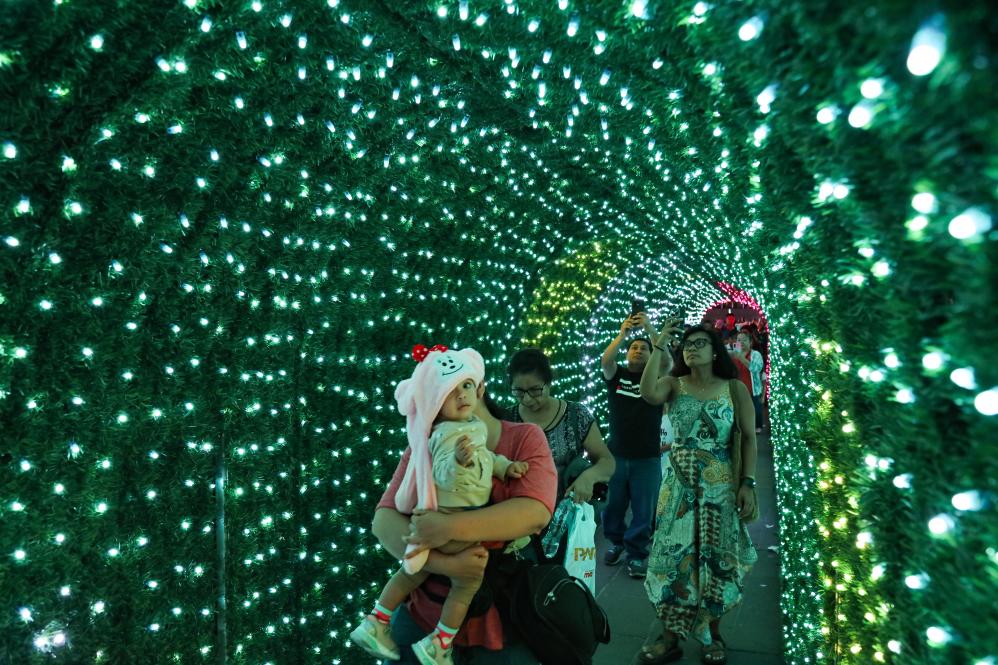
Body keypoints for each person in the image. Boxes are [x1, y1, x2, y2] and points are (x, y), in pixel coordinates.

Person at [371, 346, 558, 665]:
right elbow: (384, 521)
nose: (457, 396)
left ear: (480, 387)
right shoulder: (426, 443)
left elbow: (533, 512)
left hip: (501, 618)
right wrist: (446, 565)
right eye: (443, 393)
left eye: (465, 386)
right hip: (424, 614)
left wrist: (446, 528)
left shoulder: (524, 437)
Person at [636, 324, 758, 665]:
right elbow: (648, 393)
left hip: (720, 487)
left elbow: (749, 438)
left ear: (715, 350)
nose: (691, 348)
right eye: (687, 344)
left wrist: (748, 483)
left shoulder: (734, 388)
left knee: (716, 559)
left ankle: (712, 634)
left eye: (700, 343)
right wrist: (658, 346)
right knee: (672, 558)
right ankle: (670, 637)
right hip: (677, 486)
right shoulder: (674, 384)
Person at [600, 311, 663, 579]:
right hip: (616, 455)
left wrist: (649, 329)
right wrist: (622, 335)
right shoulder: (618, 375)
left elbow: (667, 360)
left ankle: (636, 554)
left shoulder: (657, 378)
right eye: (634, 348)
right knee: (613, 506)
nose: (638, 351)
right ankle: (616, 542)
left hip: (647, 457)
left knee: (643, 509)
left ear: (651, 355)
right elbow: (606, 360)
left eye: (643, 348)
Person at [505, 348, 615, 502]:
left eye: (535, 390)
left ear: (549, 382)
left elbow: (607, 462)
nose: (527, 399)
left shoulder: (576, 415)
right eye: (519, 391)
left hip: (568, 510)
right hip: (520, 511)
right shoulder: (506, 419)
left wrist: (589, 476)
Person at [730, 330, 765, 434]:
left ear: (750, 342)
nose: (741, 342)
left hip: (752, 388)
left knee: (755, 408)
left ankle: (758, 425)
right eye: (738, 340)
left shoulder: (755, 354)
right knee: (739, 409)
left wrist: (741, 358)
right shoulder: (734, 354)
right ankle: (741, 426)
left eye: (744, 340)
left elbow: (757, 368)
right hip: (738, 388)